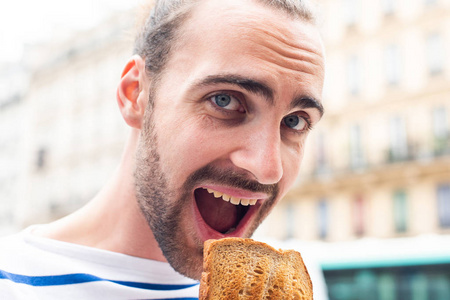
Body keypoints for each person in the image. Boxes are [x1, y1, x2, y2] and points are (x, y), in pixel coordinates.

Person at [0, 0, 325, 298]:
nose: (269, 167)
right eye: (224, 101)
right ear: (135, 93)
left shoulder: (289, 286)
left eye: (295, 122)